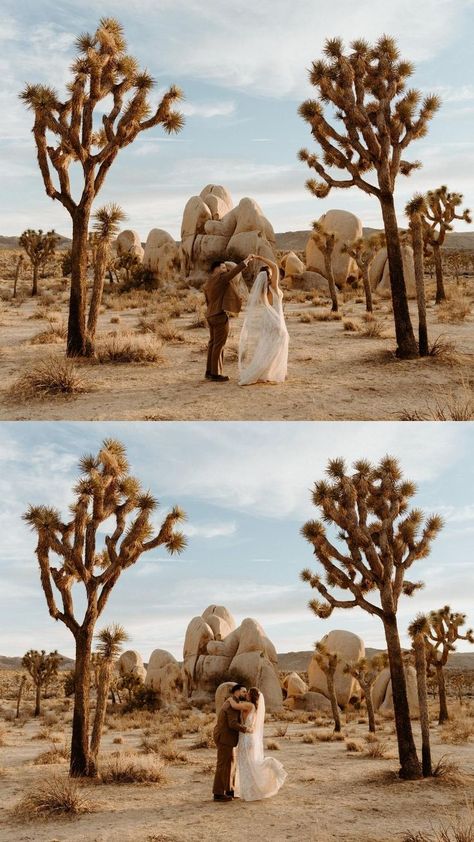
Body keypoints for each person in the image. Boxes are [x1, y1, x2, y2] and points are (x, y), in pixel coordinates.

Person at [228, 687, 287, 801]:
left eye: (248, 693)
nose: (246, 695)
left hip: (245, 740)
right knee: (249, 765)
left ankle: (249, 793)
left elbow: (234, 706)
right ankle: (250, 792)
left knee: (246, 766)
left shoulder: (249, 706)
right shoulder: (255, 707)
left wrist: (230, 699)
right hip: (250, 739)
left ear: (251, 696)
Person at [238, 255, 289, 386]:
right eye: (271, 274)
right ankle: (268, 373)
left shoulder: (261, 291)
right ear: (269, 276)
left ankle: (264, 374)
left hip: (267, 321)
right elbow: (275, 266)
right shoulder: (274, 288)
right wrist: (260, 257)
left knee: (266, 347)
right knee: (276, 347)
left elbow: (272, 269)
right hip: (277, 321)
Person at [203, 256, 251, 382]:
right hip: (219, 315)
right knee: (219, 345)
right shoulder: (221, 278)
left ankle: (209, 372)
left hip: (210, 315)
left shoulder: (208, 282)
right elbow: (234, 272)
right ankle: (215, 373)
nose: (225, 270)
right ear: (217, 269)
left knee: (213, 344)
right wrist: (246, 261)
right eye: (223, 267)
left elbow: (208, 301)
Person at [212, 683, 250, 802]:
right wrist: (246, 729)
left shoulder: (234, 702)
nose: (245, 694)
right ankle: (218, 793)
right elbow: (232, 724)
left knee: (231, 764)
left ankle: (229, 790)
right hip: (224, 738)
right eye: (243, 691)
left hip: (228, 738)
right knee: (222, 765)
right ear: (236, 692)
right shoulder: (231, 705)